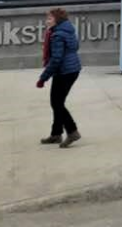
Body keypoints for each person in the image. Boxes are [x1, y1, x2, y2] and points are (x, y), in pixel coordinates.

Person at [37, 8, 82, 148]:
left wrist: (43, 78)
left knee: (57, 103)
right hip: (72, 69)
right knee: (57, 102)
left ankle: (72, 131)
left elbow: (56, 59)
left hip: (65, 72)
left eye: (49, 19)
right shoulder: (69, 30)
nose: (47, 21)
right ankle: (56, 134)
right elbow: (76, 47)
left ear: (57, 20)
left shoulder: (57, 35)